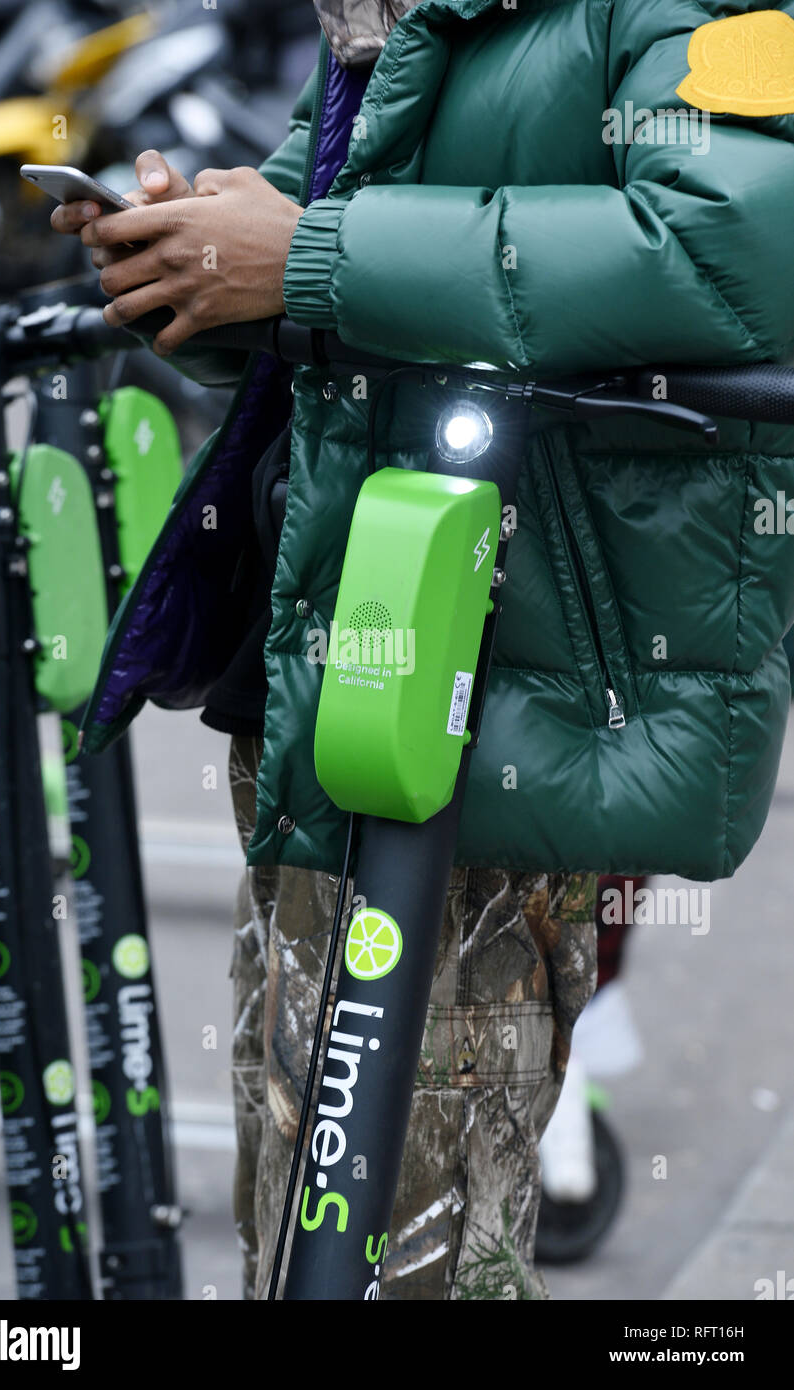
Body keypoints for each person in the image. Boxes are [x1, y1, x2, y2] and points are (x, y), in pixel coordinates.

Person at [53, 1, 794, 1298]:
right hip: (340, 651)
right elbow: (304, 261)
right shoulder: (396, 13)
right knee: (306, 1194)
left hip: (523, 673)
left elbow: (730, 248)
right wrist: (186, 249)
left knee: (419, 1234)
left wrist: (307, 253)